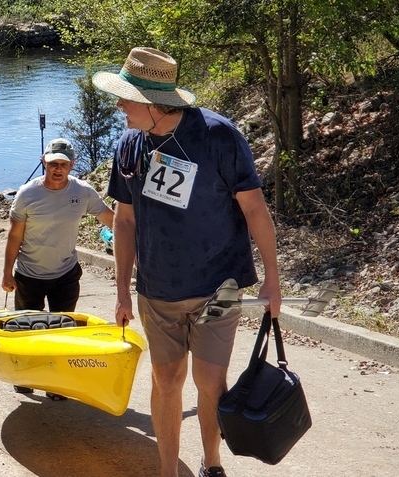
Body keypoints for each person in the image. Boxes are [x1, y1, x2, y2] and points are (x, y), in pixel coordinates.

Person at [94, 47, 281, 477]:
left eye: (125, 97)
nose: (118, 105)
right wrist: (122, 290)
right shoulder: (129, 145)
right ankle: (167, 472)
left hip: (220, 289)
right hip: (157, 292)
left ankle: (212, 463)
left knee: (211, 384)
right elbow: (124, 222)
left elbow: (255, 210)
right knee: (167, 382)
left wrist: (272, 281)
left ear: (151, 102)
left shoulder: (218, 136)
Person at [1, 138, 114, 397]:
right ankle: (26, 375)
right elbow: (14, 236)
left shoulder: (83, 192)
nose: (58, 169)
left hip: (65, 273)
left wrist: (138, 230)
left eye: (63, 164)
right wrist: (7, 272)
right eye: (53, 164)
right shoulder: (27, 194)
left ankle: (55, 382)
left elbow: (109, 218)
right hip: (29, 274)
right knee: (28, 328)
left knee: (63, 329)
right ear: (44, 162)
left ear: (72, 165)